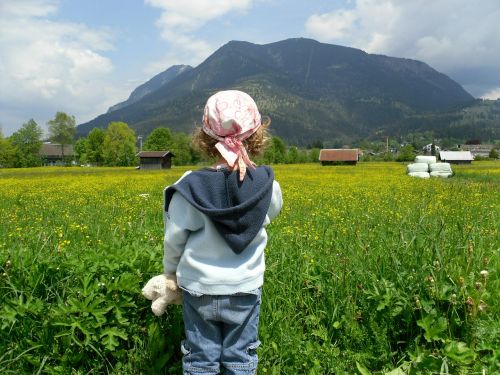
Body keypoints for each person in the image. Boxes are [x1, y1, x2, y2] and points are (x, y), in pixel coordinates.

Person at [142, 90, 283, 375]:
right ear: (256, 136)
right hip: (244, 286)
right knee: (241, 355)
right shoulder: (267, 185)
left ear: (205, 138)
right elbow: (273, 211)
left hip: (199, 287)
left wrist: (171, 273)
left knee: (200, 357)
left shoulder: (189, 186)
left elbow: (174, 239)